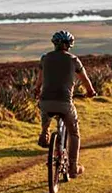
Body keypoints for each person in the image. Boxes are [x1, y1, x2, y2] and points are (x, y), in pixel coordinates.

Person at [37, 31, 96, 179]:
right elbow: (85, 81)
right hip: (64, 102)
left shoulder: (45, 59)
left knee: (44, 108)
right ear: (69, 45)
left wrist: (36, 90)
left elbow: (39, 82)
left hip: (46, 101)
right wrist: (90, 92)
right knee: (74, 133)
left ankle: (45, 131)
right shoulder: (73, 60)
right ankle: (73, 167)